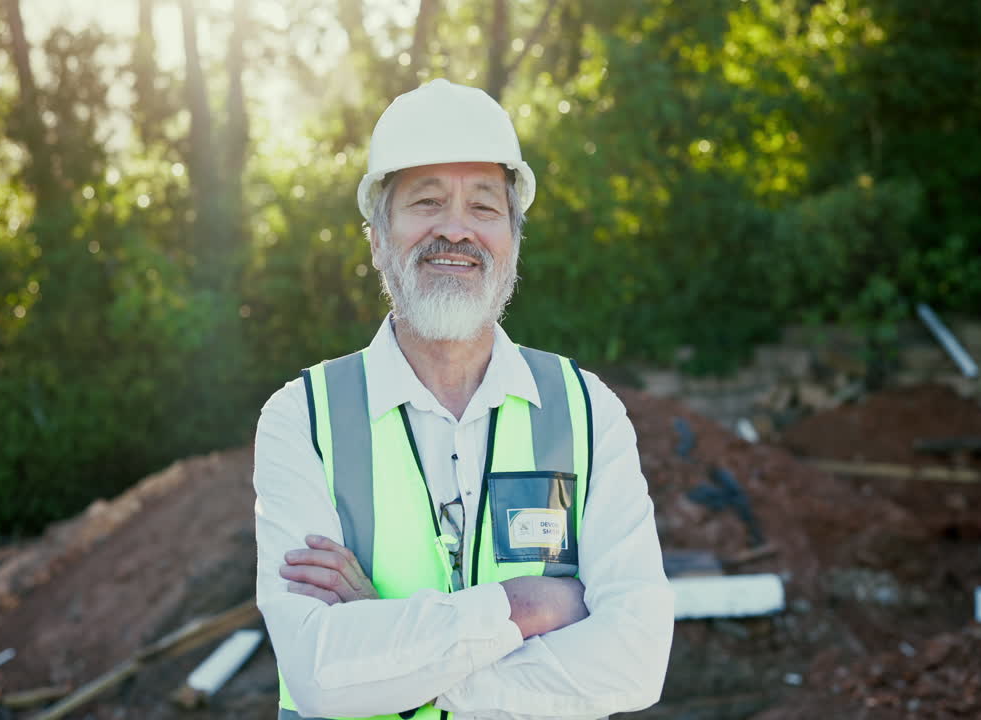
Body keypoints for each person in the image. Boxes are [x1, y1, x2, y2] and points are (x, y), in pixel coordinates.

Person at [253, 79, 673, 720]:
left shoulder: (589, 413)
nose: (455, 230)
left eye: (483, 207)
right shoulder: (301, 419)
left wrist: (402, 659)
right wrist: (525, 609)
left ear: (512, 239)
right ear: (376, 238)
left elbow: (638, 657)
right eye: (425, 202)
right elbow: (318, 673)